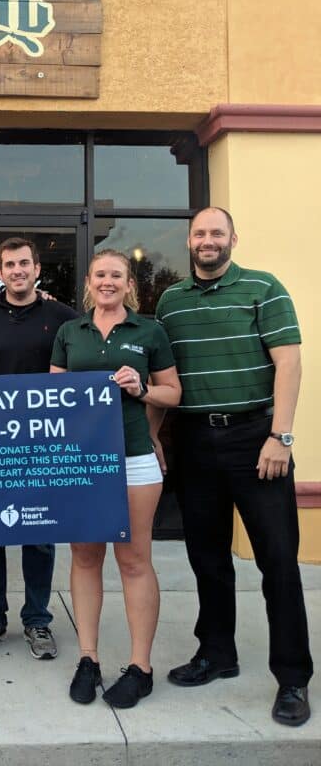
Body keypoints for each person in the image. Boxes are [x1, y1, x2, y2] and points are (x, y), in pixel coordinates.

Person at [155, 207, 313, 727]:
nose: (207, 241)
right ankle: (217, 652)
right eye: (199, 233)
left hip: (256, 440)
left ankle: (292, 678)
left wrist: (281, 437)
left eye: (215, 233)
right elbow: (164, 373)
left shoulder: (263, 288)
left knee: (278, 564)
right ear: (190, 241)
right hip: (196, 441)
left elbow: (288, 362)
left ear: (232, 240)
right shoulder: (171, 302)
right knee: (208, 558)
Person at [50, 250, 181, 708]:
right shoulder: (70, 331)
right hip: (81, 461)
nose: (108, 282)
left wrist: (140, 389)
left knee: (134, 560)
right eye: (100, 275)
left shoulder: (149, 331)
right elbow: (53, 395)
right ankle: (88, 659)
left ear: (129, 284)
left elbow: (173, 392)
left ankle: (140, 667)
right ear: (88, 281)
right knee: (85, 557)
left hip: (134, 457)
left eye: (117, 276)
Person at [0, 237, 76, 660]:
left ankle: (37, 619)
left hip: (42, 443)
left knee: (39, 534)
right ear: (0, 272)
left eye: (24, 263)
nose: (17, 271)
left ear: (37, 268)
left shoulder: (61, 317)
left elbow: (78, 372)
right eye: (9, 264)